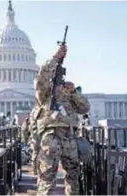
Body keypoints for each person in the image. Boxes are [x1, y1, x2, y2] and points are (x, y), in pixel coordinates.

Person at [34, 45, 90, 195]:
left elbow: (84, 108)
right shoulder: (45, 92)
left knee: (73, 176)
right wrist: (55, 58)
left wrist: (73, 92)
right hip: (51, 136)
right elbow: (42, 76)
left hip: (69, 136)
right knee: (47, 177)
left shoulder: (68, 92)